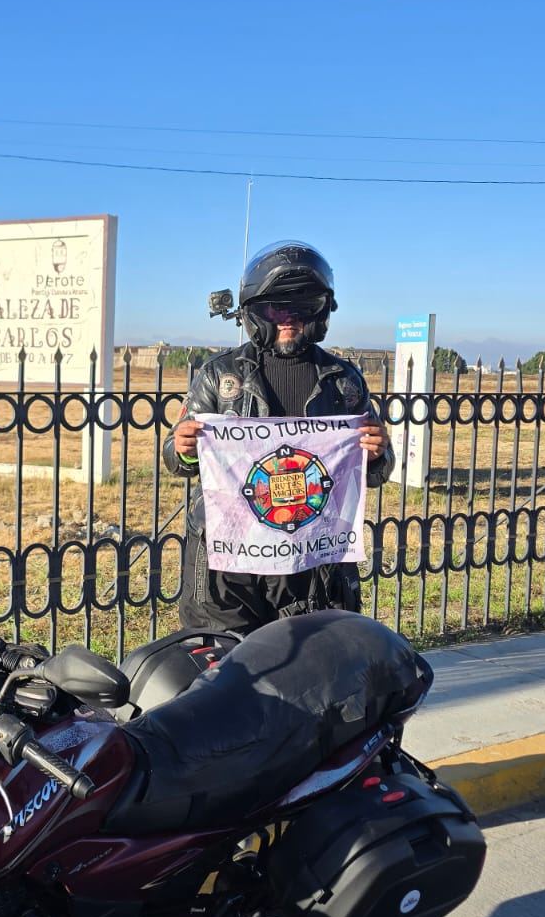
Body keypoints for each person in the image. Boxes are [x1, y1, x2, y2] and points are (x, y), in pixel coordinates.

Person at [163, 240, 393, 636]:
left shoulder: (344, 382)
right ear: (256, 311)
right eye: (277, 307)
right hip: (231, 559)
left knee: (311, 669)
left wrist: (376, 453)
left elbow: (375, 472)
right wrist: (183, 447)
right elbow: (174, 459)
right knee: (227, 672)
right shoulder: (220, 376)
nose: (290, 317)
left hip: (312, 558)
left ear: (321, 312)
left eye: (304, 307)